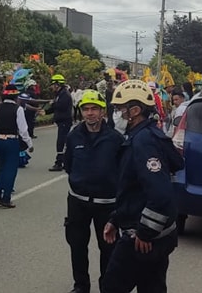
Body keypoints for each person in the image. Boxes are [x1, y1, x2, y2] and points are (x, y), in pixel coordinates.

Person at [101, 80, 182, 293]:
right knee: (151, 287)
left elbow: (160, 194)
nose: (116, 114)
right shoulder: (142, 136)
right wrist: (116, 218)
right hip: (153, 233)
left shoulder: (144, 142)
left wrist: (145, 232)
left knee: (112, 287)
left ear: (135, 111)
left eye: (120, 109)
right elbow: (135, 190)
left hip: (143, 238)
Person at [64, 90, 123, 293]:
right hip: (78, 202)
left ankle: (107, 286)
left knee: (108, 248)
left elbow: (123, 171)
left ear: (102, 111)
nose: (89, 113)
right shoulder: (73, 136)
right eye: (85, 109)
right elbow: (68, 165)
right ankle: (81, 285)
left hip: (107, 205)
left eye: (94, 109)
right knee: (77, 246)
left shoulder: (116, 139)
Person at [0, 84, 33, 208]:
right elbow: (23, 130)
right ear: (16, 97)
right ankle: (6, 197)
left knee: (2, 168)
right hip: (12, 141)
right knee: (11, 169)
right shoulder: (18, 109)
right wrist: (29, 144)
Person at [46, 74, 74, 172]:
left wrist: (53, 104)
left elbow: (61, 106)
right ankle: (64, 161)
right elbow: (55, 107)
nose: (51, 86)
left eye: (53, 84)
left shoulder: (64, 94)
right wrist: (45, 112)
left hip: (64, 121)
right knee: (62, 142)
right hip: (62, 121)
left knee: (61, 142)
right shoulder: (59, 94)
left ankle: (59, 163)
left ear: (57, 84)